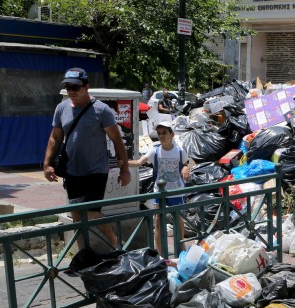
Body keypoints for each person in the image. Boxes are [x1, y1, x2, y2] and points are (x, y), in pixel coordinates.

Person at [43, 67, 131, 248]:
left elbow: (117, 140)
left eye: (75, 87)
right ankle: (84, 254)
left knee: (91, 213)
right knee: (76, 215)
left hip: (96, 171)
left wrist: (124, 169)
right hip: (72, 171)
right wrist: (47, 164)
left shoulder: (102, 110)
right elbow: (55, 137)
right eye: (68, 87)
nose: (71, 91)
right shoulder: (61, 108)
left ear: (86, 87)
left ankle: (117, 245)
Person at [128, 120, 190, 255]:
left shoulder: (179, 151)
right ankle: (160, 254)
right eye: (159, 133)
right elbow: (139, 162)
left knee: (178, 220)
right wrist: (123, 163)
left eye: (164, 133)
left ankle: (181, 249)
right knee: (158, 221)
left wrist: (186, 168)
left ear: (172, 134)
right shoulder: (155, 151)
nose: (161, 136)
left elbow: (186, 163)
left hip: (176, 191)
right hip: (159, 192)